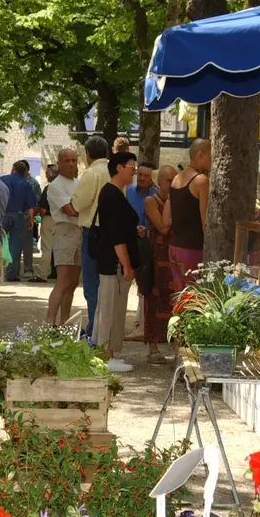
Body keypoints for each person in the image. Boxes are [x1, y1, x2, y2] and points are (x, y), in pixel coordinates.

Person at [92, 151, 140, 372]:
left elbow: (120, 229)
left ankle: (109, 352)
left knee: (115, 306)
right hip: (113, 262)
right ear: (119, 167)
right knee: (109, 308)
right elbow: (115, 235)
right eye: (132, 167)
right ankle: (104, 355)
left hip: (114, 259)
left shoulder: (115, 193)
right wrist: (127, 264)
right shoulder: (111, 194)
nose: (134, 172)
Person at [71, 135, 111, 337]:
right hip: (112, 232)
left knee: (92, 284)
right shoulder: (114, 171)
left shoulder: (92, 173)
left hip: (93, 232)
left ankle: (94, 329)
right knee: (108, 284)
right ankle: (104, 329)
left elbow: (78, 204)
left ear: (87, 154)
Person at [165, 139, 211, 292]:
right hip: (192, 247)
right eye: (211, 155)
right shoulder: (201, 181)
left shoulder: (176, 179)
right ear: (200, 155)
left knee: (180, 294)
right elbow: (204, 217)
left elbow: (169, 215)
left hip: (174, 246)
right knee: (194, 296)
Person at [142, 166, 178, 364]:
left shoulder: (174, 201)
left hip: (173, 257)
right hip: (156, 257)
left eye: (174, 180)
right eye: (168, 181)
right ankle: (152, 346)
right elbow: (163, 227)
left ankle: (174, 343)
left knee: (173, 300)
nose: (172, 184)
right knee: (154, 300)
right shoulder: (151, 201)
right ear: (160, 182)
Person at [45, 148, 80, 326]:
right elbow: (71, 211)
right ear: (58, 164)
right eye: (67, 160)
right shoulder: (55, 185)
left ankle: (64, 322)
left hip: (79, 232)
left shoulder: (79, 182)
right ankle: (50, 323)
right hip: (64, 232)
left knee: (73, 282)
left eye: (73, 160)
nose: (71, 164)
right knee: (63, 280)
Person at [125, 161, 157, 340]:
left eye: (146, 176)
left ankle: (142, 324)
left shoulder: (156, 194)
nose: (142, 178)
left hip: (147, 243)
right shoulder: (128, 192)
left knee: (144, 282)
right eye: (140, 175)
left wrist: (146, 229)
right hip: (129, 241)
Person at [0, 160, 37, 282]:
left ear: (13, 169)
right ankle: (11, 274)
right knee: (15, 246)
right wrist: (31, 220)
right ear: (25, 172)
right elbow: (31, 205)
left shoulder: (3, 180)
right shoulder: (25, 184)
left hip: (3, 215)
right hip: (19, 216)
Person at [21, 162, 43, 282]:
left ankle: (13, 268)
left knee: (16, 244)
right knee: (27, 245)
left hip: (24, 215)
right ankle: (28, 269)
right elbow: (37, 203)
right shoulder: (33, 183)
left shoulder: (31, 183)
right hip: (27, 216)